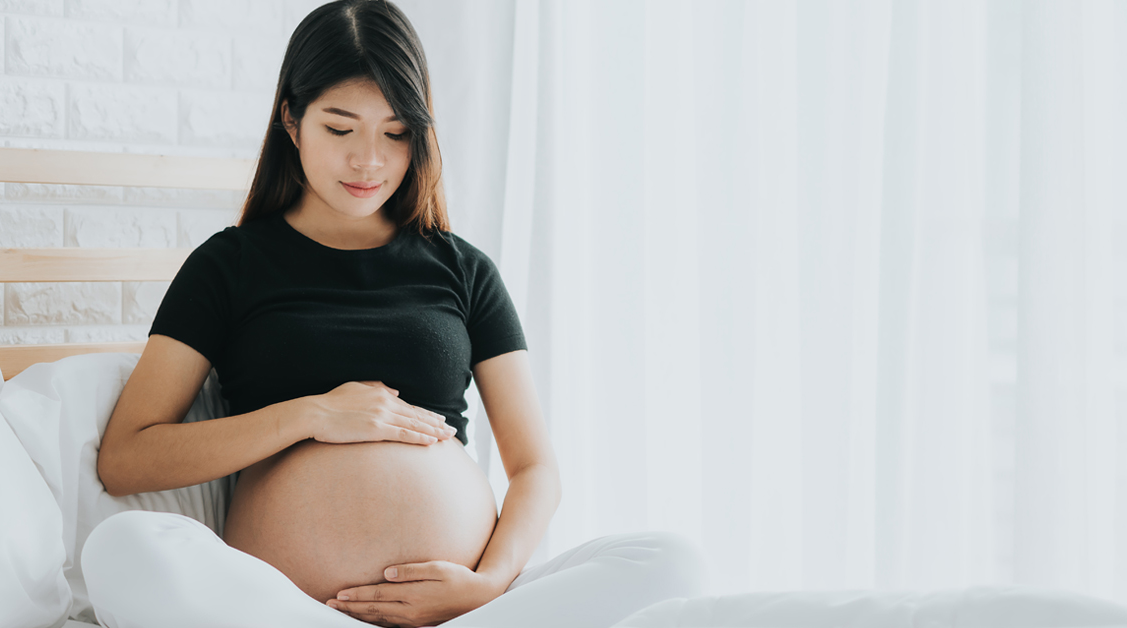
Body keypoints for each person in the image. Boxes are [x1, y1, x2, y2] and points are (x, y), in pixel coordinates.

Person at [83, 1, 708, 627]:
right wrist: (314, 414)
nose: (369, 161)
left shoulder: (463, 269)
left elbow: (535, 468)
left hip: (464, 611)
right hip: (291, 609)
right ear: (291, 121)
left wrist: (486, 585)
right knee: (122, 549)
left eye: (396, 132)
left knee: (670, 560)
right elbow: (126, 458)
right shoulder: (229, 264)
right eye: (340, 128)